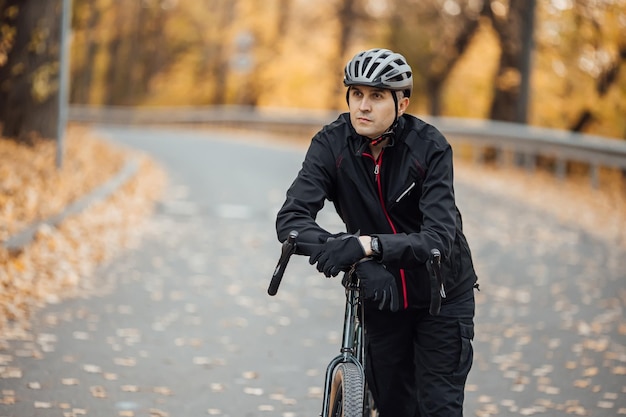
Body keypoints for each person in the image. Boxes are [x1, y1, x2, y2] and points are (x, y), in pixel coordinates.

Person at [275, 48, 478, 417]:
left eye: (377, 96)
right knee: (395, 407)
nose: (363, 106)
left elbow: (437, 240)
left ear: (402, 104)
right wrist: (345, 249)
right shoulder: (331, 144)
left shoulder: (430, 147)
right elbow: (291, 218)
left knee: (439, 408)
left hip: (441, 295)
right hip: (382, 299)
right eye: (356, 94)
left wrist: (367, 246)